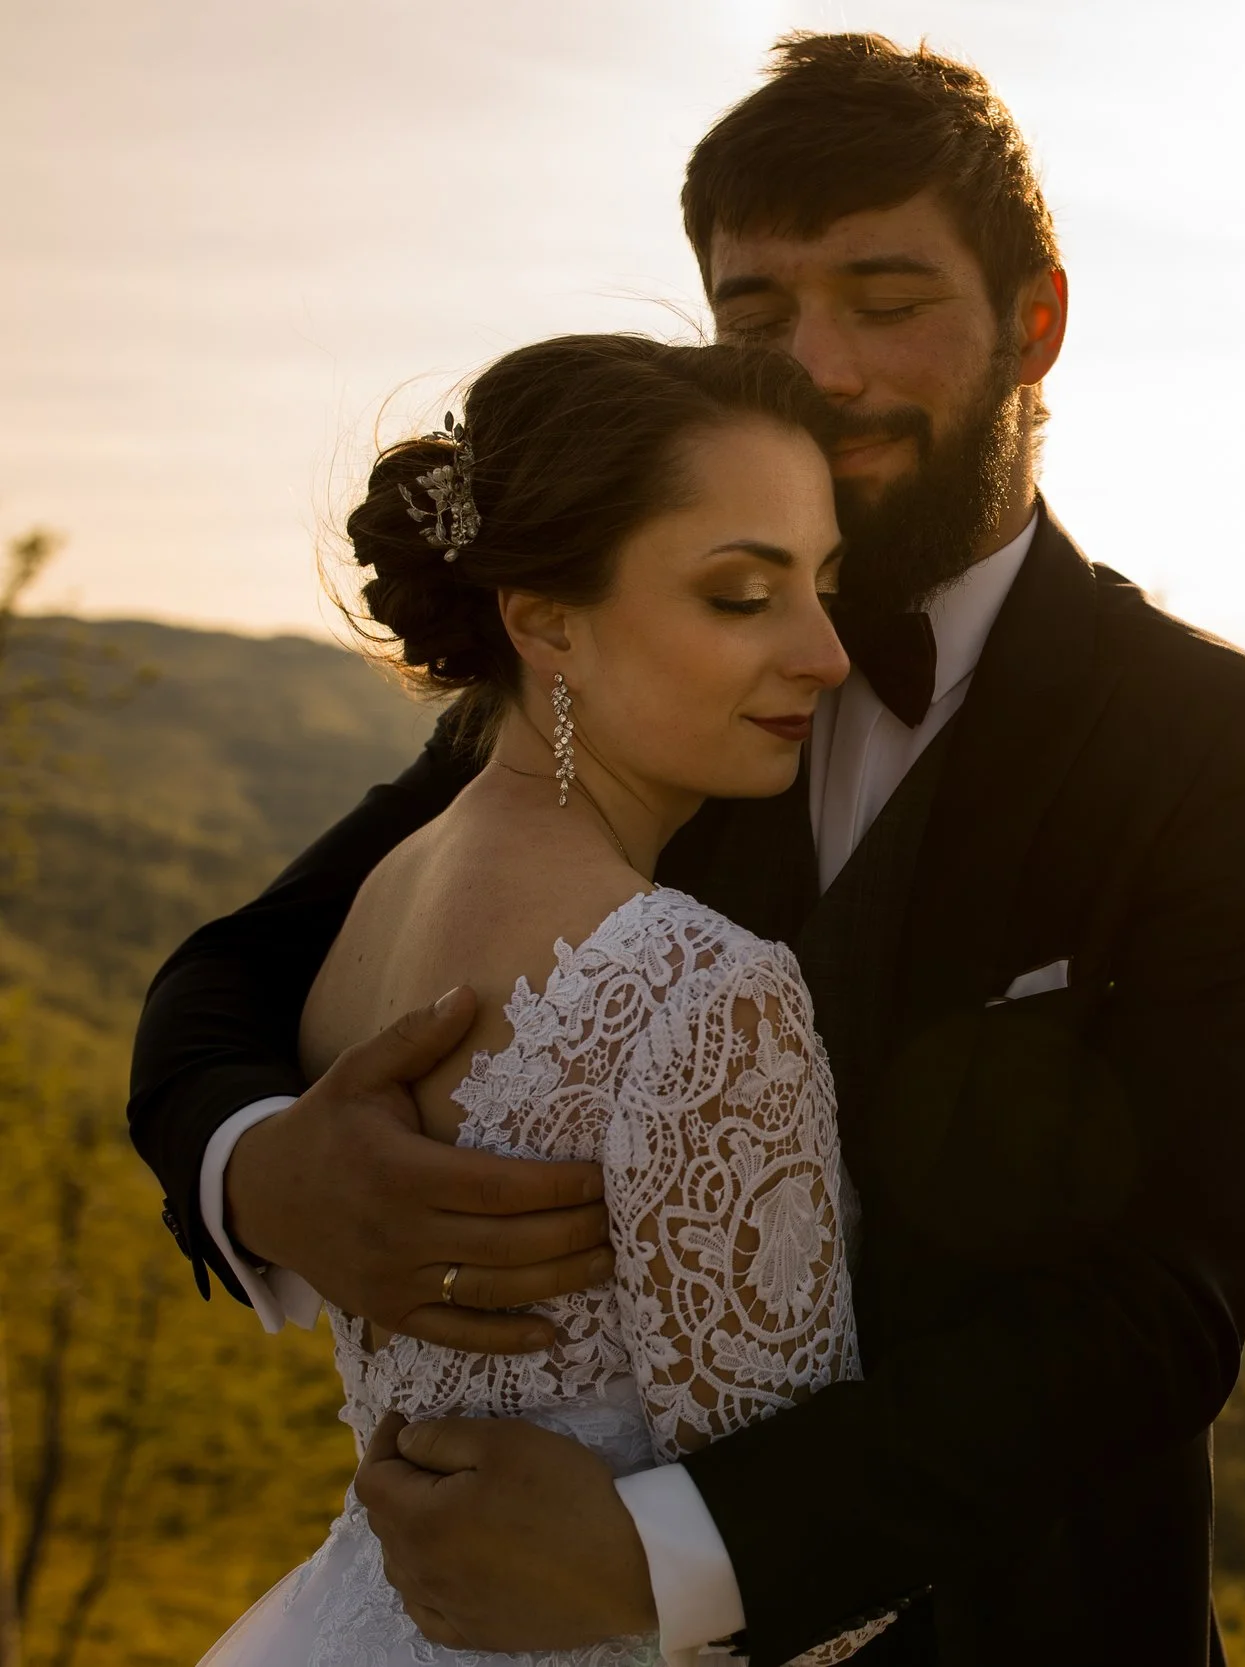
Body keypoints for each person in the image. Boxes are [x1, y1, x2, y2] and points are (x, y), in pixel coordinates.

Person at [129, 32, 1245, 1667]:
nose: (819, 368)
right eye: (759, 314)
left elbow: (1161, 1309)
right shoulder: (617, 662)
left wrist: (662, 1556)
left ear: (1034, 323)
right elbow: (237, 968)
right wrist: (262, 1169)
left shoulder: (1214, 742)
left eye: (885, 299)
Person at [199, 333, 891, 1666]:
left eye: (826, 582)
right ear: (545, 619)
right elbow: (806, 1609)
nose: (826, 651)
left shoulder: (380, 900)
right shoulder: (701, 989)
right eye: (745, 594)